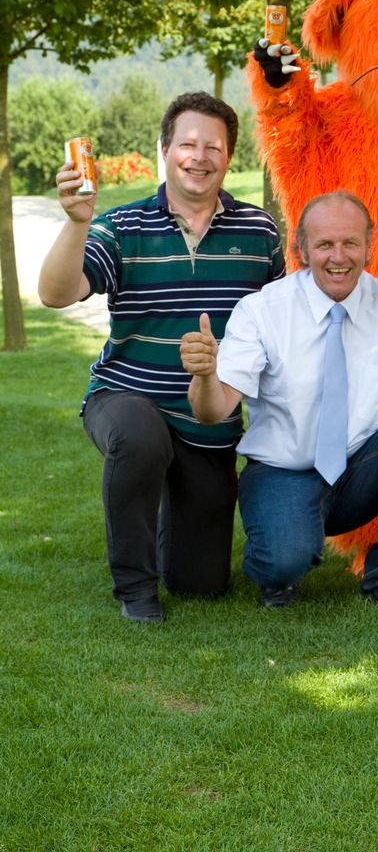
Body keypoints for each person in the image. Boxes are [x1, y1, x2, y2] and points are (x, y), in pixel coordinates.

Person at [180, 190, 378, 614]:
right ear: (302, 249)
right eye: (325, 244)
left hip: (358, 470)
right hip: (282, 472)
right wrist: (203, 376)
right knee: (284, 561)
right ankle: (276, 563)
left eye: (350, 243)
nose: (338, 256)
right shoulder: (262, 310)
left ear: (369, 245)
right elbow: (213, 410)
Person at [38, 92, 286, 623]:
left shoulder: (260, 232)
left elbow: (285, 321)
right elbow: (56, 294)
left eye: (213, 147)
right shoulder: (121, 226)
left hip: (209, 417)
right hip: (125, 396)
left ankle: (172, 512)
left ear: (229, 156)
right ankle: (135, 588)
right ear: (166, 150)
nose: (200, 156)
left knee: (202, 585)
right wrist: (77, 220)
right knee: (139, 437)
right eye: (188, 144)